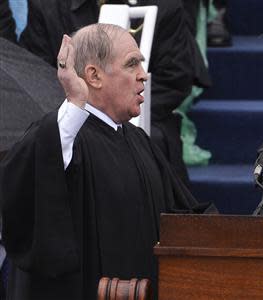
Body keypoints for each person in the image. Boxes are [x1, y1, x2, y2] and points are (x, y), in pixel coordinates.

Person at [0, 23, 216, 300]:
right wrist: (75, 101)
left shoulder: (139, 141)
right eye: (131, 65)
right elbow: (33, 178)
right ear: (94, 75)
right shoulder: (60, 138)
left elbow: (182, 216)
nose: (143, 76)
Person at [19, 0, 212, 186]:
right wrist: (84, 112)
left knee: (149, 144)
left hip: (145, 115)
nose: (143, 74)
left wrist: (118, 109)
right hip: (66, 114)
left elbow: (174, 78)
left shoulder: (164, 4)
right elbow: (35, 75)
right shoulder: (47, 5)